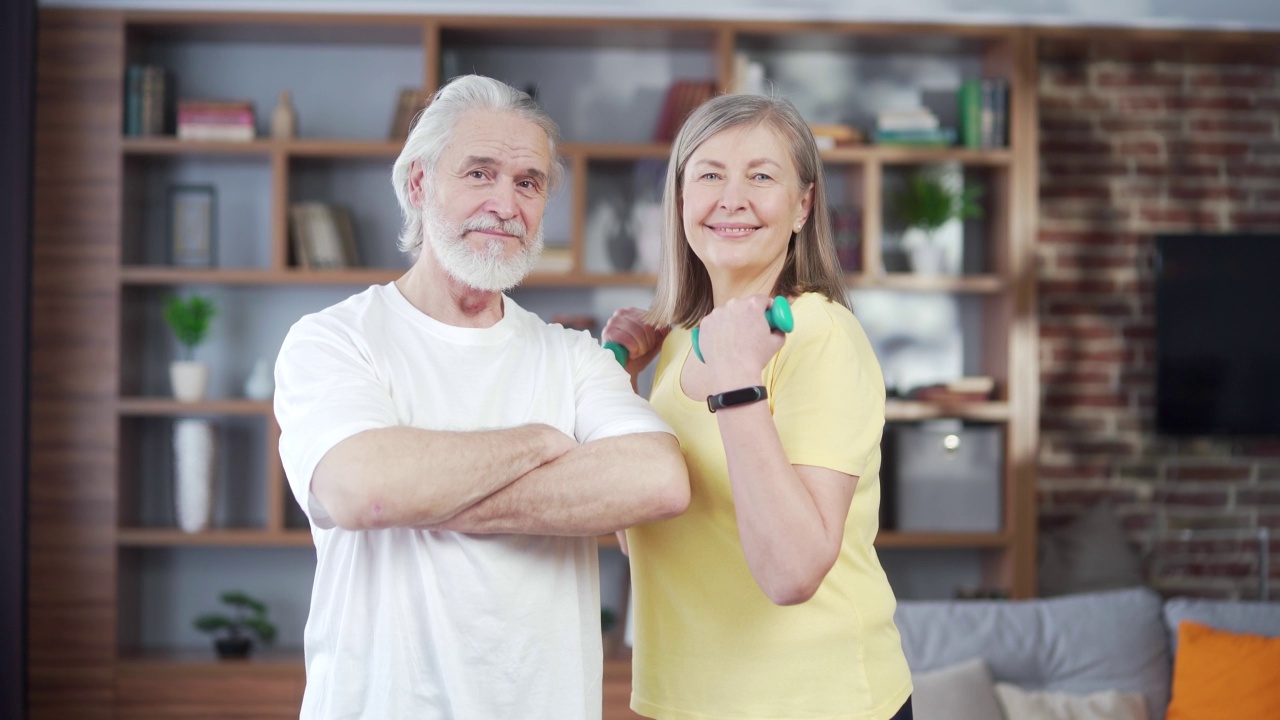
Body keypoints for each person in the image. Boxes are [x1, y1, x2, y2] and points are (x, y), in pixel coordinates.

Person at [274, 74, 690, 720]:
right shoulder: (333, 341)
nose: (505, 203)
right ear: (418, 184)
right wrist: (540, 442)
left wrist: (430, 492)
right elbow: (362, 489)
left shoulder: (572, 356)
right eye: (479, 173)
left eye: (527, 183)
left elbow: (659, 480)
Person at [602, 94, 913, 720]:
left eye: (761, 176)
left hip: (815, 704)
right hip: (687, 702)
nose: (732, 197)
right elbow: (649, 541)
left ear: (803, 206)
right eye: (710, 174)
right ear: (682, 200)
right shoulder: (687, 342)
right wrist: (618, 385)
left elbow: (791, 573)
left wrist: (739, 383)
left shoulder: (818, 335)